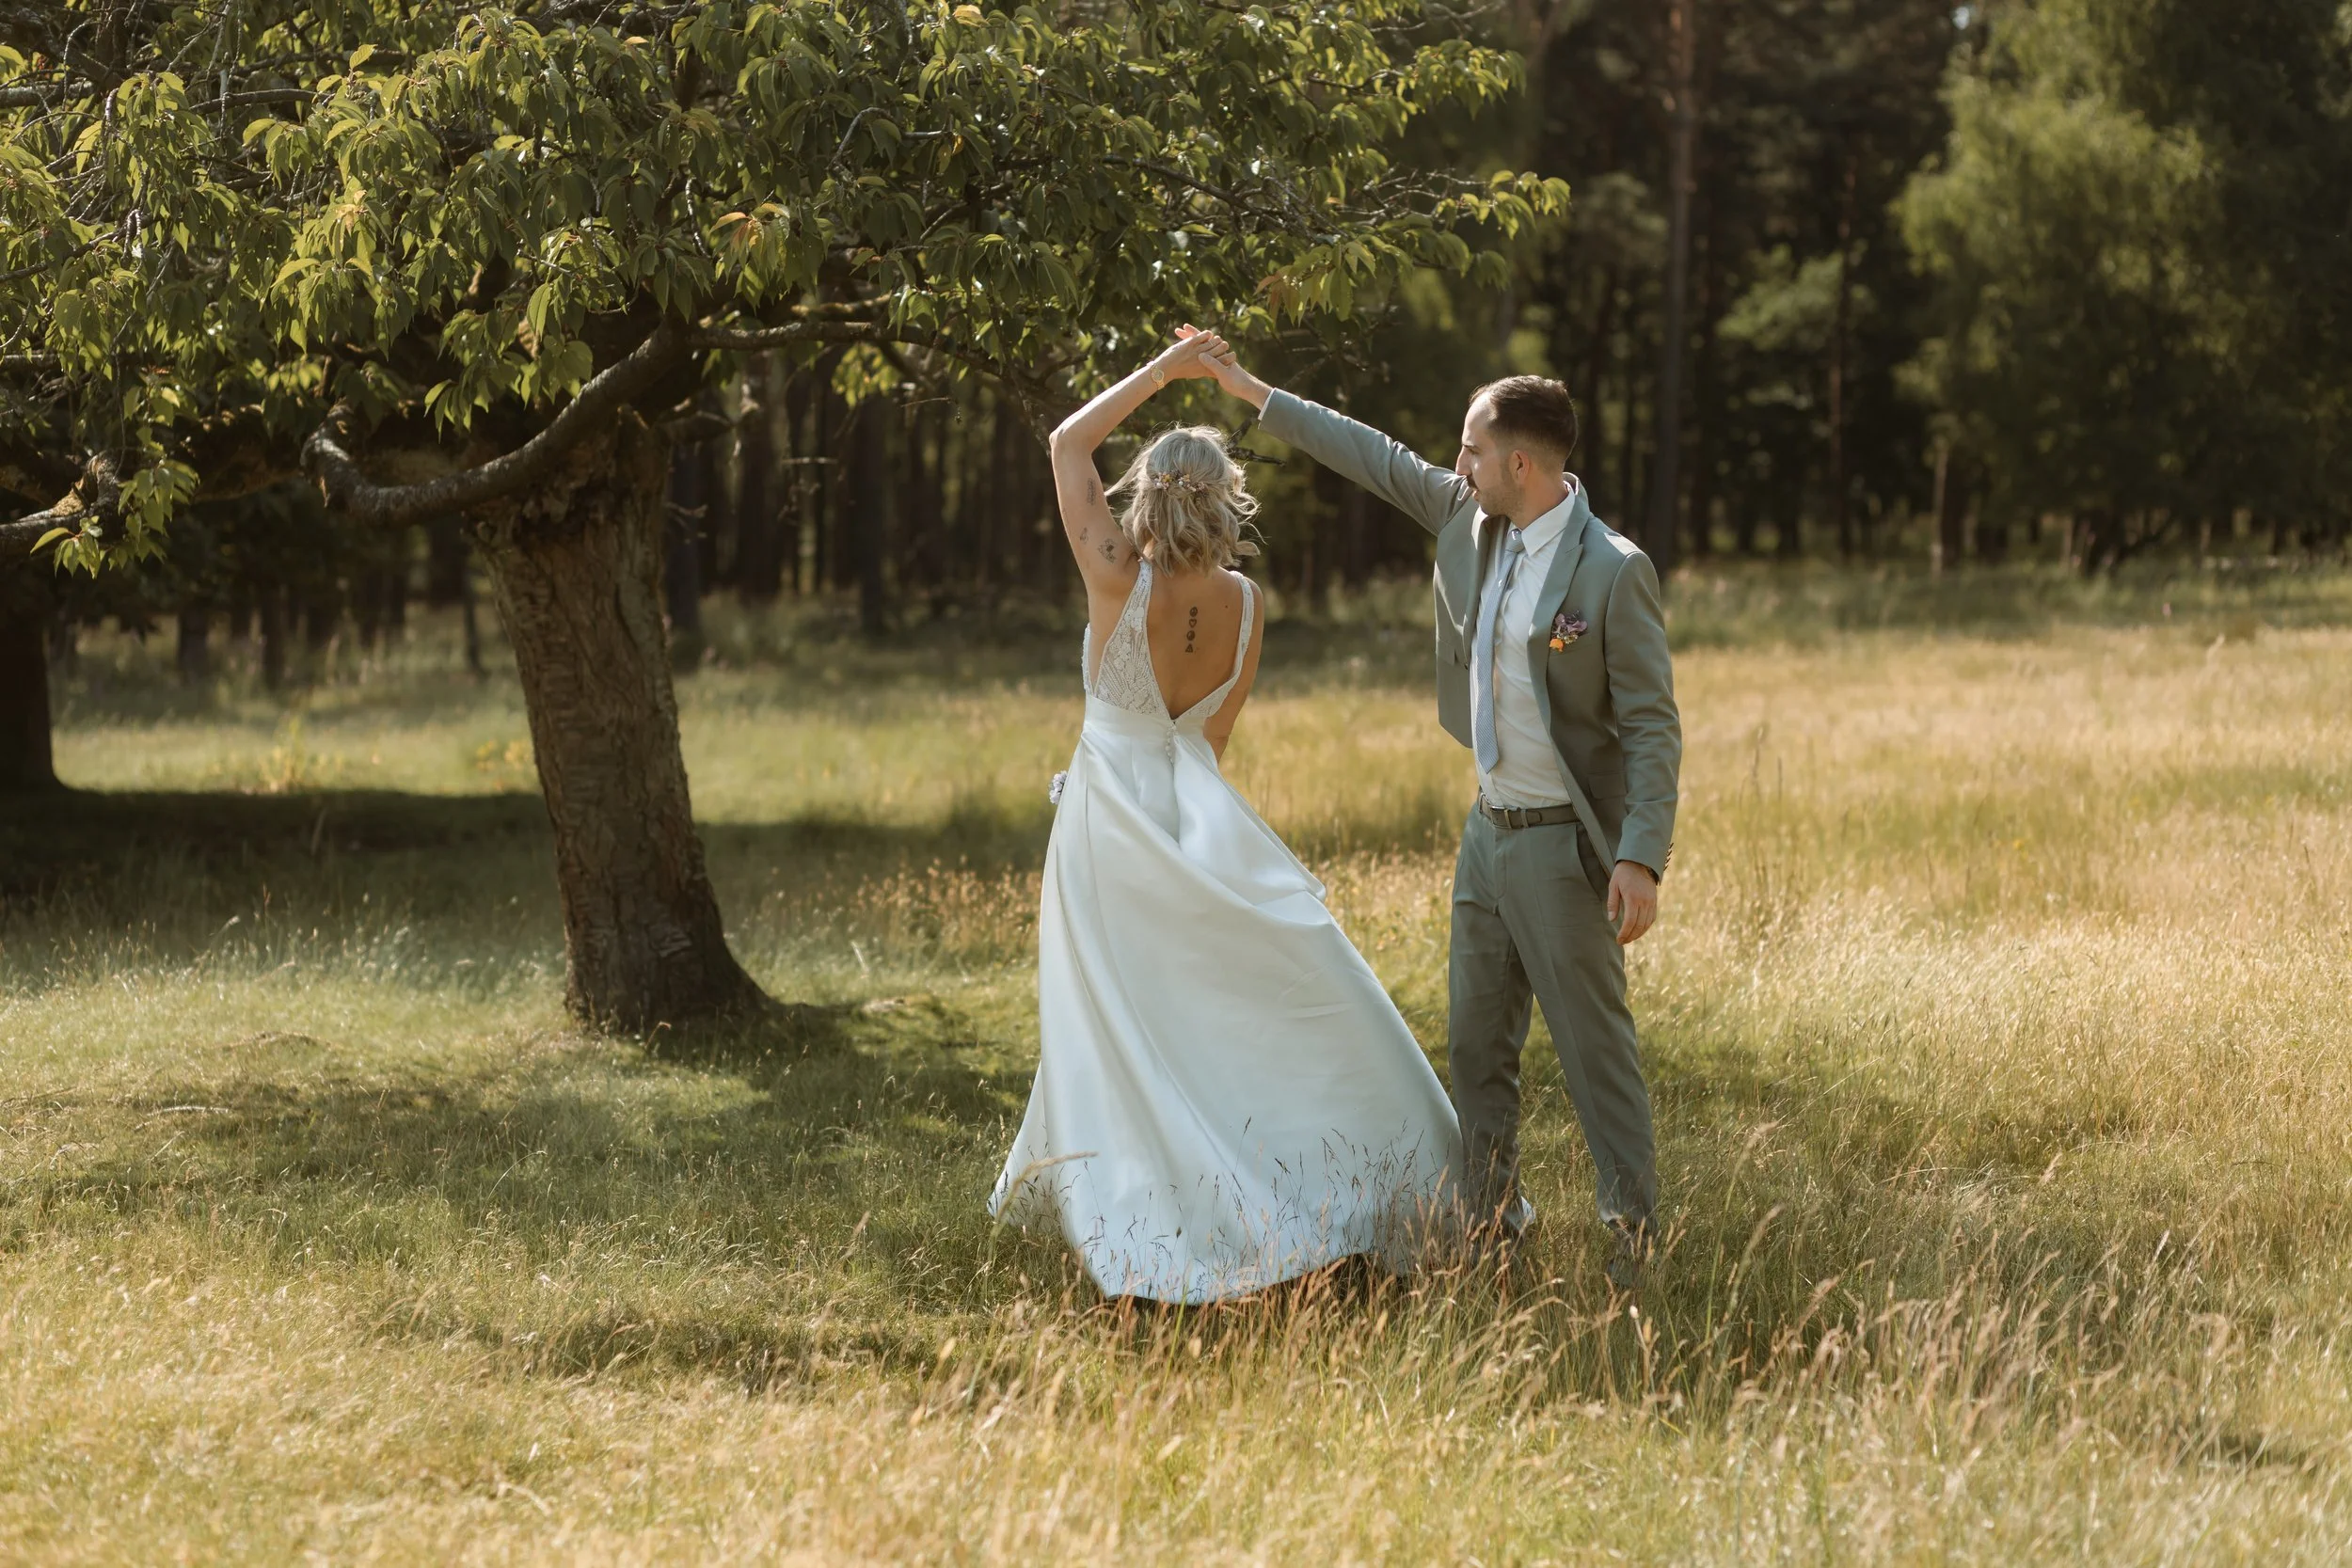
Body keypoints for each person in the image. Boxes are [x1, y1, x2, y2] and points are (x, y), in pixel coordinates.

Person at [987, 329, 1463, 1304]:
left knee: (1113, 1018)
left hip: (1107, 822)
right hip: (1198, 819)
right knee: (1218, 1012)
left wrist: (1164, 371)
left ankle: (1163, 1204)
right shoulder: (1246, 603)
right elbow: (1211, 742)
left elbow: (1065, 446)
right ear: (1224, 494)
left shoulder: (1116, 576)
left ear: (1148, 494)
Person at [1197, 339, 1681, 1289]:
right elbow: (1371, 454)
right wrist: (1248, 391)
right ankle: (1490, 1231)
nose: (1454, 464)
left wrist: (1640, 857)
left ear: (1519, 463)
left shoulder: (1612, 571)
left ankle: (1634, 1242)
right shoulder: (1469, 520)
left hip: (1562, 848)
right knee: (1473, 1047)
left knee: (1595, 1057)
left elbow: (1652, 727)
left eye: (1469, 449)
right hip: (1486, 834)